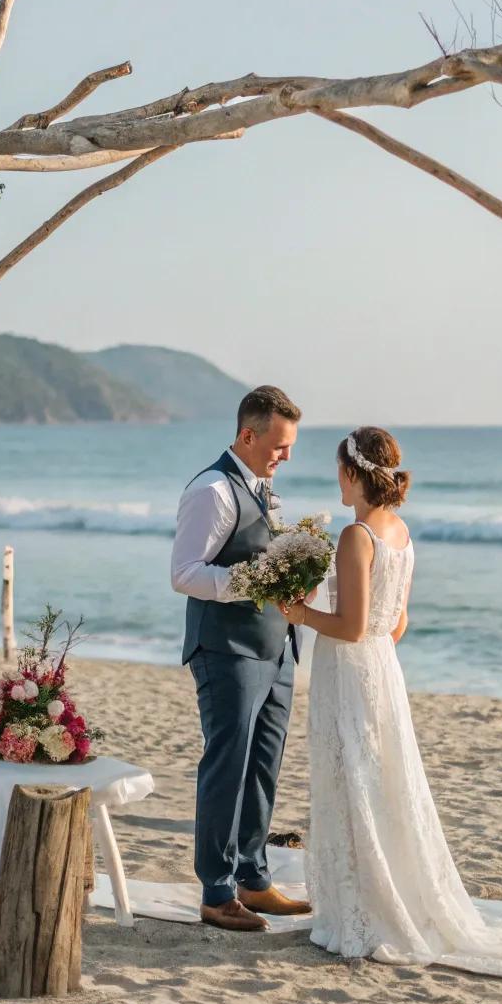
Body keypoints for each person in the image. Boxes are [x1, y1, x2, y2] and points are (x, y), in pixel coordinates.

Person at [281, 426, 502, 968]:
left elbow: (351, 624)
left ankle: (361, 910)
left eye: (338, 470)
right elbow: (397, 622)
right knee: (381, 778)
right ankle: (385, 894)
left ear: (353, 473)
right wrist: (369, 652)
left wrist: (299, 615)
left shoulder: (356, 536)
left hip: (348, 670)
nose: (336, 480)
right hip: (382, 670)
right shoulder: (400, 533)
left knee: (354, 779)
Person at [171, 385, 313, 932]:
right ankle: (216, 891)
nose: (286, 456)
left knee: (263, 768)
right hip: (226, 650)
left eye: (290, 446)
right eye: (279, 446)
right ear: (246, 436)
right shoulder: (211, 489)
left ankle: (254, 879)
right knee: (227, 767)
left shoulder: (261, 487)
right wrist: (255, 580)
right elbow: (184, 573)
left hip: (277, 649)